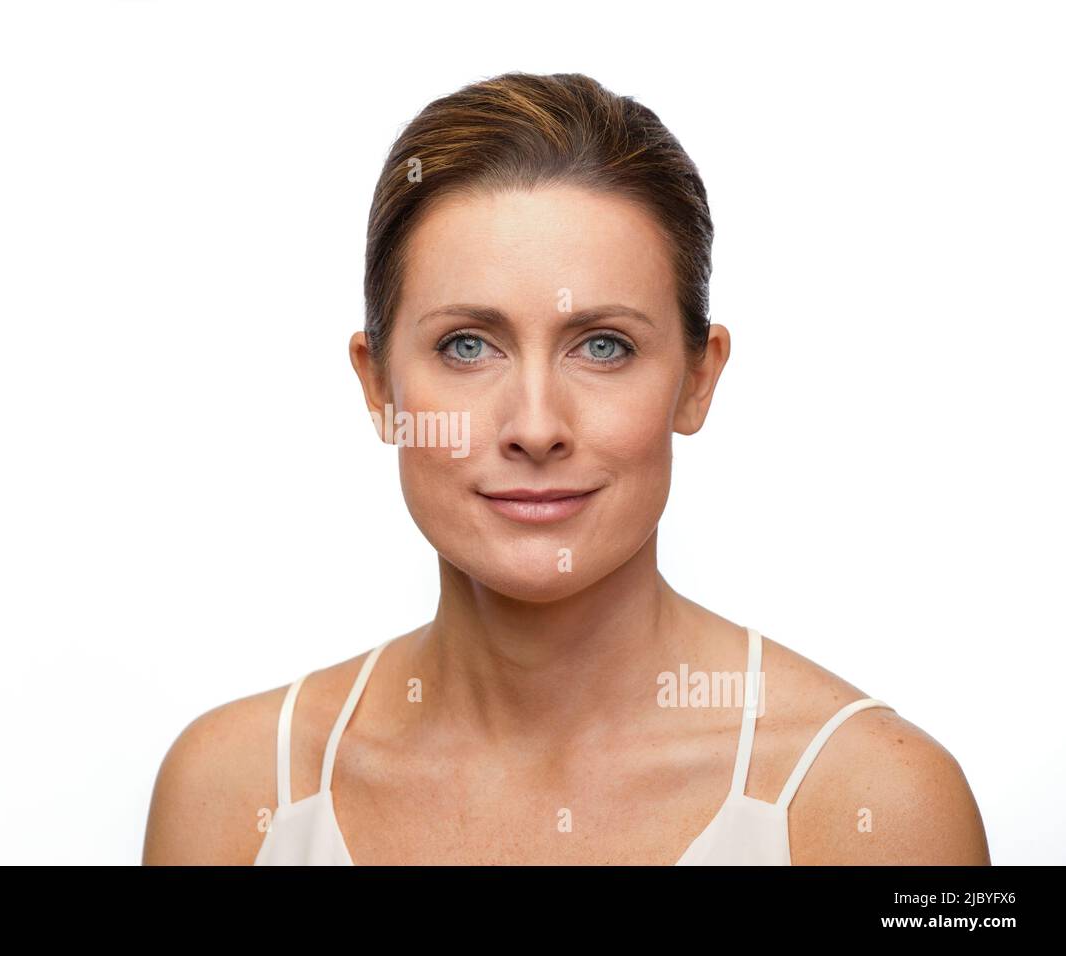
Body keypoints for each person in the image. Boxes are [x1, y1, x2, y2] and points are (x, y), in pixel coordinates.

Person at [142, 71, 989, 865]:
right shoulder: (231, 793)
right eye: (467, 345)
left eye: (604, 346)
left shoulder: (877, 806)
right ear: (378, 385)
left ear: (697, 380)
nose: (537, 428)